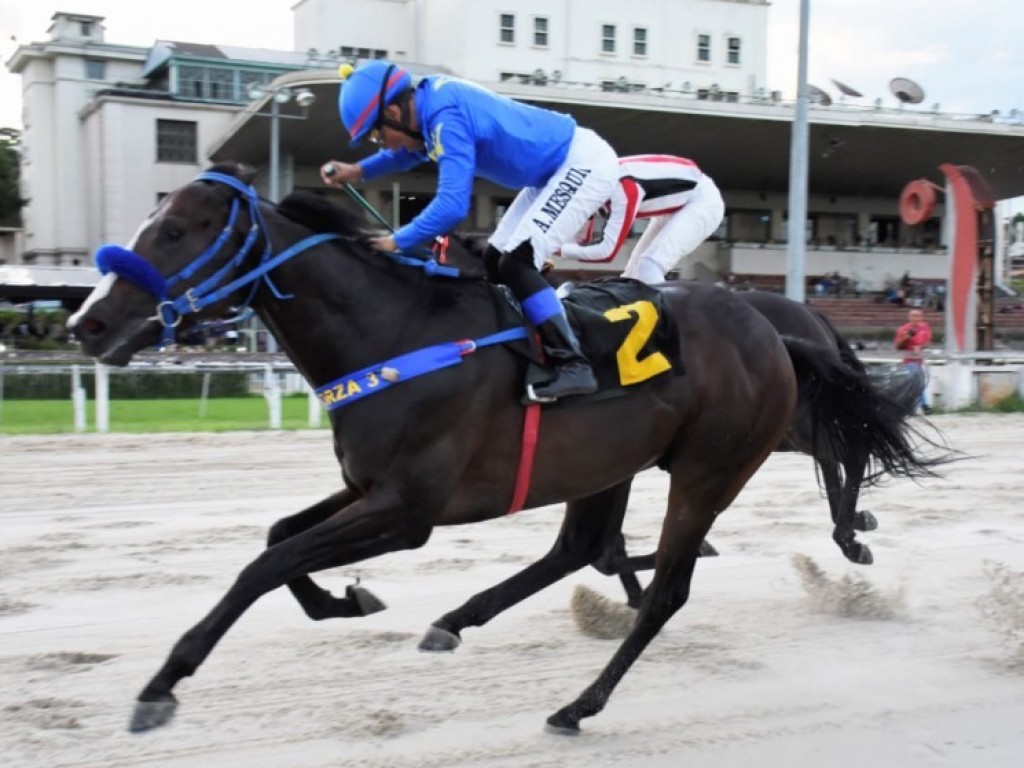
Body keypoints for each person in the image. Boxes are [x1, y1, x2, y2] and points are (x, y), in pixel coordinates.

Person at [319, 61, 620, 400]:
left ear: (393, 111)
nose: (381, 144)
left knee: (517, 263)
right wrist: (358, 170)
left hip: (580, 163)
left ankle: (574, 366)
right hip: (550, 172)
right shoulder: (428, 106)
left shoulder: (446, 117)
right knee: (494, 261)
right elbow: (407, 154)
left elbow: (452, 206)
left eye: (377, 134)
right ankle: (524, 350)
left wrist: (396, 241)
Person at [557, 154, 724, 285]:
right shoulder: (596, 185)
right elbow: (581, 238)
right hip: (675, 204)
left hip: (702, 202)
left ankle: (672, 326)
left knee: (648, 266)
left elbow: (607, 252)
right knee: (630, 278)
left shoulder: (623, 191)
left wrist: (561, 251)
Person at [893, 308, 933, 414]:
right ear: (909, 317)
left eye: (918, 316)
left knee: (918, 382)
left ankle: (913, 406)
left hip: (920, 360)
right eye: (913, 316)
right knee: (917, 382)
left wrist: (921, 347)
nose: (915, 318)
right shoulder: (903, 329)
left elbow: (928, 342)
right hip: (909, 360)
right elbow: (897, 346)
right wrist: (906, 338)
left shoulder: (925, 327)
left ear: (921, 317)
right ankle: (924, 405)